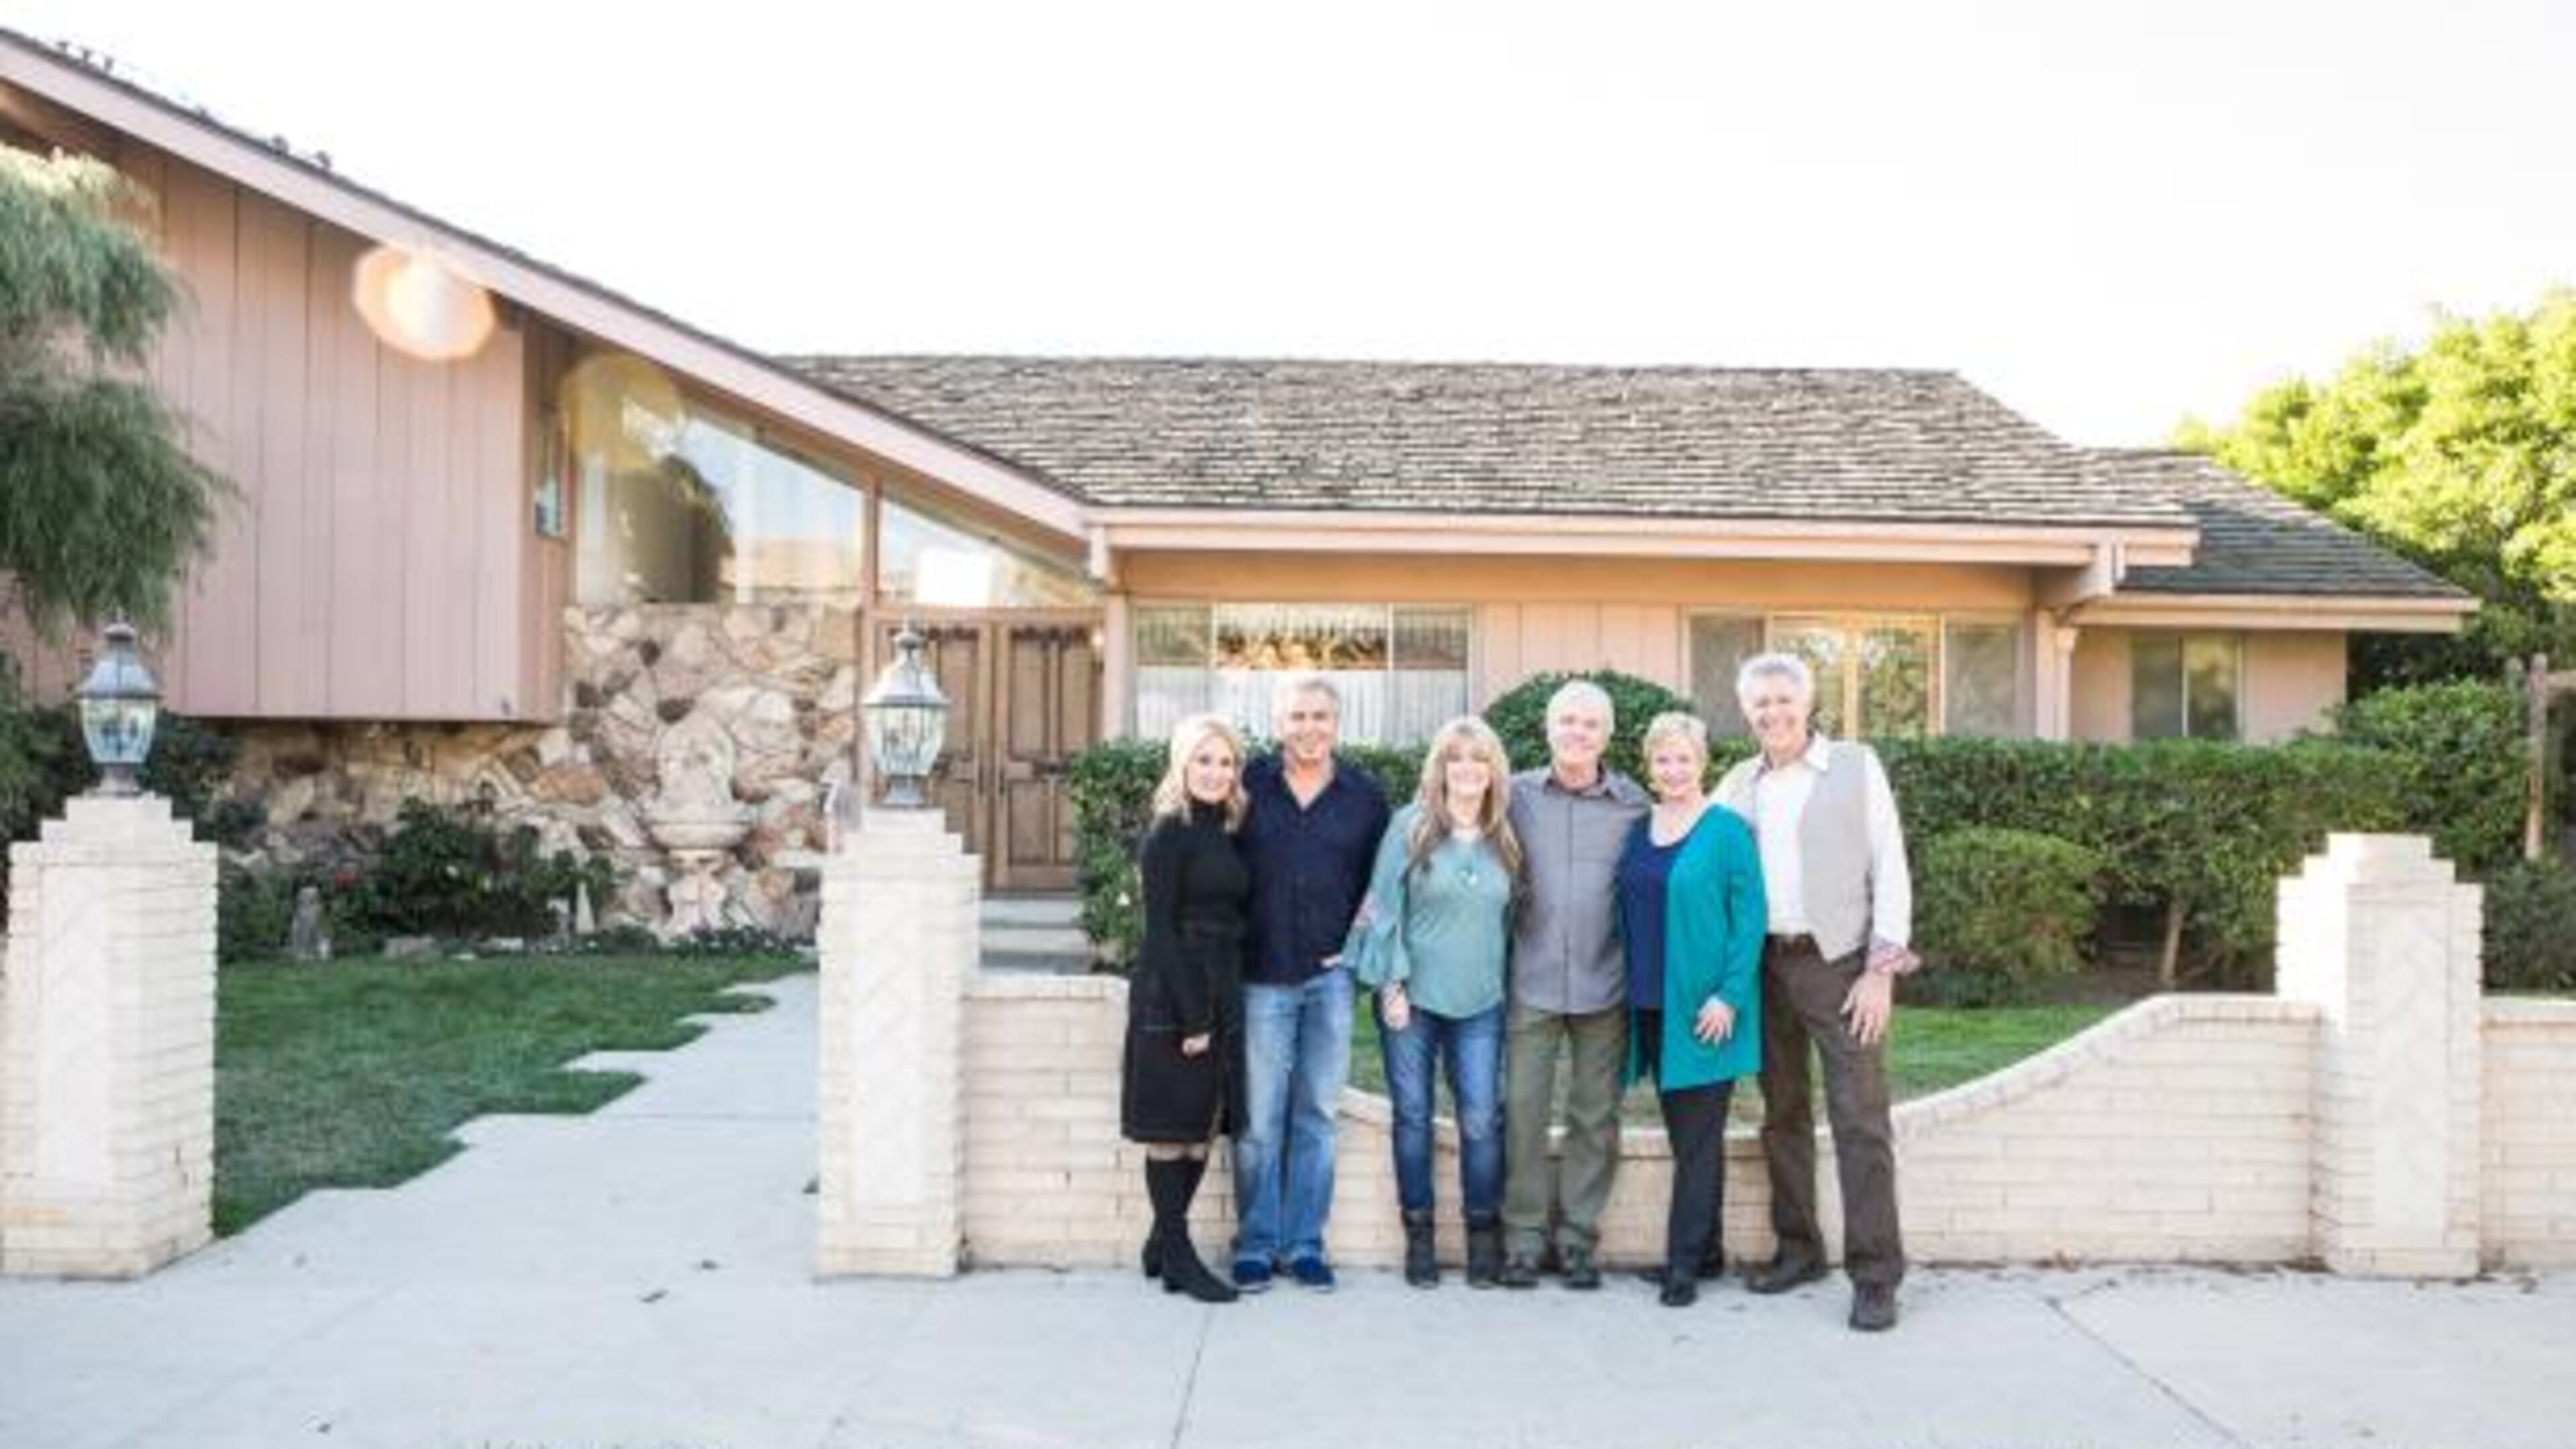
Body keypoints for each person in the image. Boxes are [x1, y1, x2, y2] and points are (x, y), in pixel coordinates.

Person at [1713, 653, 1917, 1332]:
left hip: (1839, 964)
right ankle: (1798, 1249)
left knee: (1860, 1118)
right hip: (1764, 967)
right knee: (1783, 1114)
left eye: (1783, 700)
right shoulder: (1739, 781)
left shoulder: (1856, 766)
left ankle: (1876, 1275)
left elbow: (1890, 864)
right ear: (1748, 715)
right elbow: (1697, 848)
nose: (1773, 713)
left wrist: (1880, 970)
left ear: (1807, 705)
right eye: (1760, 704)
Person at [1346, 717, 1521, 1289]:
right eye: (1456, 758)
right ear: (1440, 768)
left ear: (1494, 769)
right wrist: (1390, 985)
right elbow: (1380, 906)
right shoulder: (1411, 826)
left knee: (1480, 1120)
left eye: (1478, 758)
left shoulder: (1506, 835)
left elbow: (1513, 921)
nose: (1468, 769)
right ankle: (1419, 1237)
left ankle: (1482, 1236)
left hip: (1481, 1002)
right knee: (1414, 1118)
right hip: (1412, 1001)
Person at [1231, 676, 1391, 1292]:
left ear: (1337, 723)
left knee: (1318, 1114)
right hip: (1261, 975)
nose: (1309, 727)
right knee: (1259, 1118)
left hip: (1331, 980)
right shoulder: (1248, 789)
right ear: (1278, 723)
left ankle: (1304, 1244)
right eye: (1297, 715)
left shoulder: (1365, 797)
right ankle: (1255, 1241)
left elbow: (1380, 888)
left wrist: (1354, 946)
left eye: (1320, 716)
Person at [1499, 679, 1650, 1289]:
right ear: (1548, 728)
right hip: (1531, 979)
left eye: (1591, 724)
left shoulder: (1635, 804)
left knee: (1595, 1115)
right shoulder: (1514, 796)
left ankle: (1579, 1239)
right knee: (1524, 1112)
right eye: (1568, 721)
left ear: (1608, 736)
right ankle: (1524, 1239)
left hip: (1604, 982)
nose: (1578, 734)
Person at [1616, 712, 1765, 1308]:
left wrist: (1729, 995)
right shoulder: (1638, 829)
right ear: (1649, 768)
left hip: (1704, 1012)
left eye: (1683, 758)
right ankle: (1706, 1251)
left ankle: (1682, 1265)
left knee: (1699, 1140)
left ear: (1702, 763)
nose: (1673, 770)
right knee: (1688, 1138)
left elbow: (1749, 917)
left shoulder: (1726, 830)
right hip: (1650, 1006)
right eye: (1662, 760)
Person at [1121, 713, 1254, 1305]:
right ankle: (1178, 1253)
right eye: (1204, 760)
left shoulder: (1226, 829)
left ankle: (1160, 1242)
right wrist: (1193, 1016)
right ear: (1182, 764)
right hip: (1174, 991)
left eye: (1226, 762)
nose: (1215, 772)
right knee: (1171, 1131)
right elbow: (1160, 934)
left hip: (1221, 982)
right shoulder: (1167, 834)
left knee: (1200, 1129)